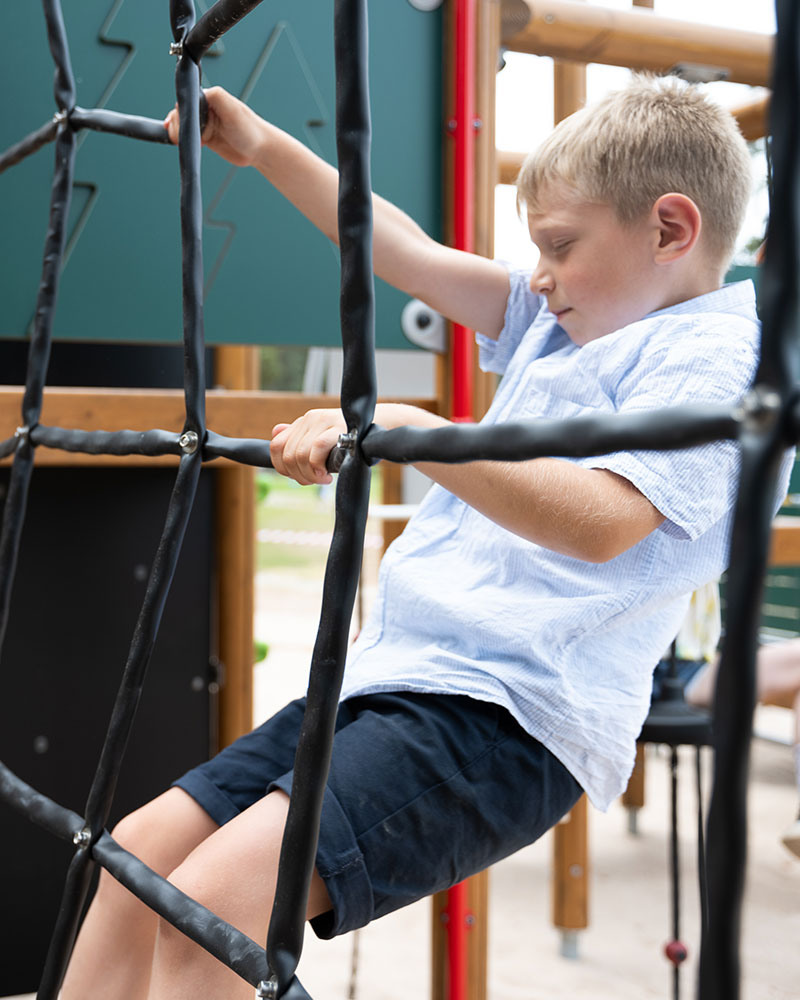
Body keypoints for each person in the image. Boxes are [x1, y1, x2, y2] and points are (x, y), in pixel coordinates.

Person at [62, 76, 793, 1000]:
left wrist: (407, 428)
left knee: (216, 911)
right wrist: (267, 147)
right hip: (395, 680)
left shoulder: (715, 354)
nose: (538, 274)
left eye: (561, 246)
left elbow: (606, 522)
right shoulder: (561, 325)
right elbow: (401, 248)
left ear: (670, 231)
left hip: (510, 714)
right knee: (135, 859)